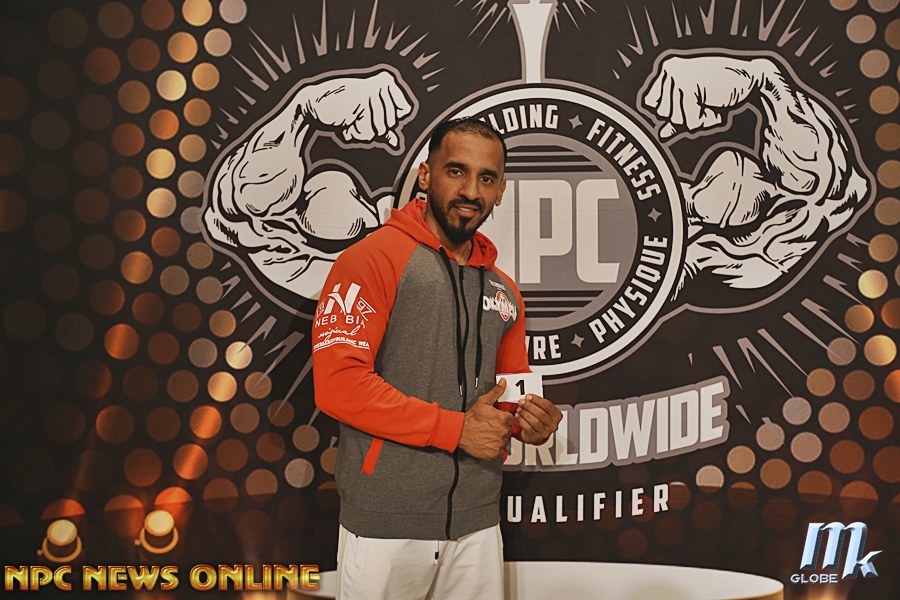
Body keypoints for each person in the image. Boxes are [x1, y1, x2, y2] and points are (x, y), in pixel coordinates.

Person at [311, 117, 563, 599]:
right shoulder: (372, 259)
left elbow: (508, 396)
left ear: (501, 191)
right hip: (386, 525)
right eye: (456, 171)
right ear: (426, 175)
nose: (471, 191)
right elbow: (338, 384)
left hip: (477, 522)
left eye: (486, 178)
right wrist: (455, 430)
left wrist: (529, 422)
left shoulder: (503, 289)